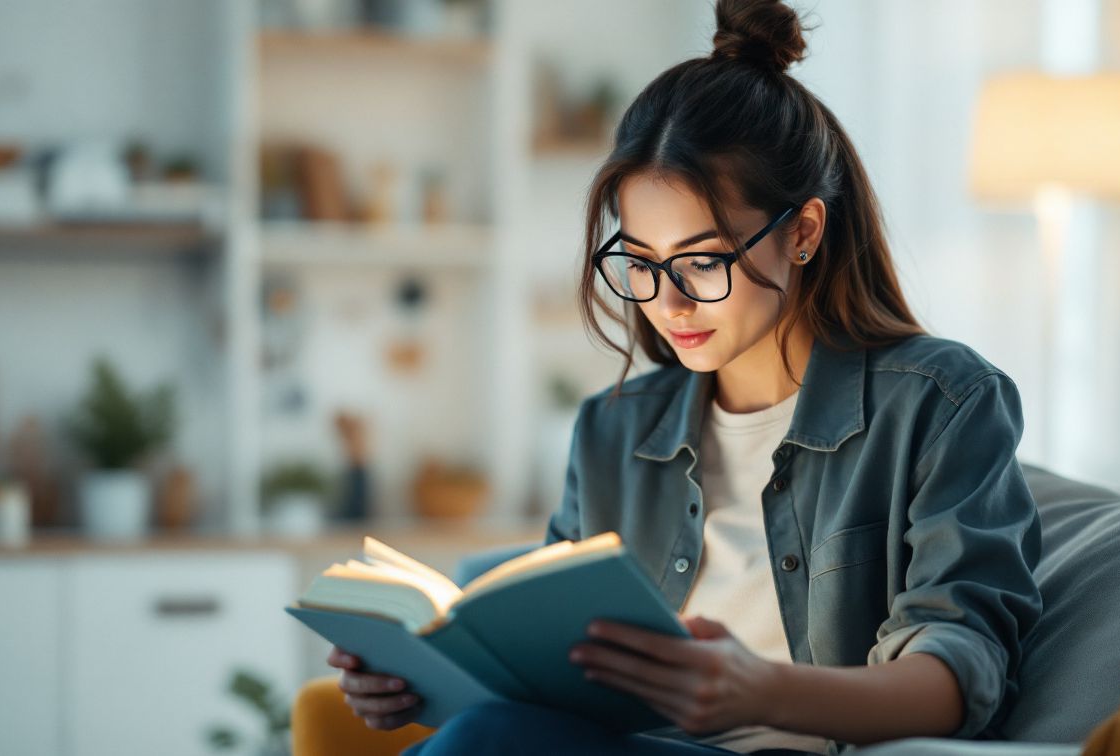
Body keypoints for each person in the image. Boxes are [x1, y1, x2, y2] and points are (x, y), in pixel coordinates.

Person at [328, 1, 1043, 753]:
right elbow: (551, 673)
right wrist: (426, 679)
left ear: (801, 232)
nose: (668, 302)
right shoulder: (615, 430)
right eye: (640, 263)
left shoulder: (939, 402)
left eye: (703, 260)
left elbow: (962, 673)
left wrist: (758, 689)